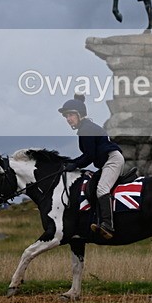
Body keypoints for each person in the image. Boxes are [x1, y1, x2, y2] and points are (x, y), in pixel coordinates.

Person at [59, 93, 123, 239]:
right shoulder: (85, 128)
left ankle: (107, 225)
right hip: (107, 161)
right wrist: (72, 163)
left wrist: (73, 164)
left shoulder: (86, 129)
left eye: (70, 115)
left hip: (112, 160)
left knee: (102, 189)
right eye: (66, 117)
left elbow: (90, 156)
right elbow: (89, 155)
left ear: (79, 115)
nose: (68, 119)